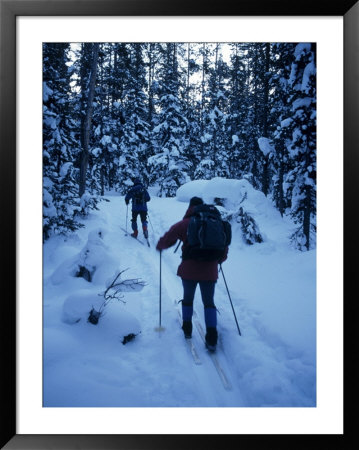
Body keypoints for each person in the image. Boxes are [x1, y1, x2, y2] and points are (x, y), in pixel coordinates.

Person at [156, 196, 228, 352]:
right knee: (209, 302)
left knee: (188, 299)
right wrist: (219, 260)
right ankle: (212, 338)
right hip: (210, 271)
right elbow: (224, 247)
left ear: (190, 208)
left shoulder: (185, 223)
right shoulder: (216, 223)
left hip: (189, 270)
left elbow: (169, 238)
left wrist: (160, 245)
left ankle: (187, 328)